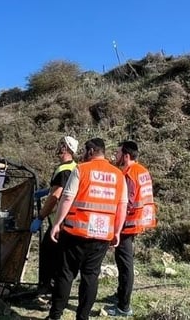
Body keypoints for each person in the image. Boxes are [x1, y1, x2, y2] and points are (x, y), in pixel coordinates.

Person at [47, 138, 127, 320]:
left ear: (91, 152)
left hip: (75, 232)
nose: (82, 155)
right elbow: (122, 206)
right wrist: (116, 231)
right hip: (102, 235)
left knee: (65, 274)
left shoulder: (81, 169)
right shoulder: (118, 175)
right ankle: (82, 318)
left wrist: (57, 223)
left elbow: (67, 198)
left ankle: (55, 315)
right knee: (91, 276)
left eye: (84, 151)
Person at [105, 140, 157, 317]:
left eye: (118, 153)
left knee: (125, 265)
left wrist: (116, 227)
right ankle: (120, 294)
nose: (116, 156)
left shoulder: (128, 174)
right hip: (138, 222)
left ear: (126, 156)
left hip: (127, 224)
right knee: (125, 263)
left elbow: (127, 202)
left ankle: (123, 306)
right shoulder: (142, 170)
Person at [34, 136, 79, 298]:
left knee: (50, 254)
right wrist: (47, 190)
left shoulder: (64, 169)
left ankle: (49, 289)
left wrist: (40, 216)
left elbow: (56, 196)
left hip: (60, 222)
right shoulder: (73, 167)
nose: (58, 147)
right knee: (58, 257)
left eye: (61, 145)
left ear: (66, 148)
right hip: (67, 220)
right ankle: (53, 289)